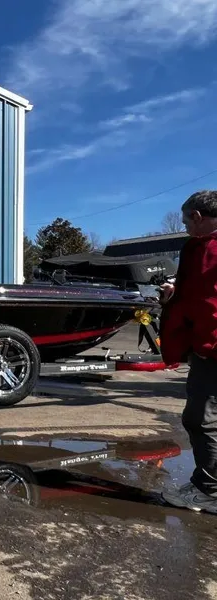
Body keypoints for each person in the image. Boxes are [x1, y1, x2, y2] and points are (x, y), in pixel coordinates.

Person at [159, 190, 217, 512]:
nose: (185, 228)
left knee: (201, 418)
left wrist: (207, 344)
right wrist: (176, 290)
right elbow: (201, 292)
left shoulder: (206, 249)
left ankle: (208, 491)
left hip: (212, 349)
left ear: (197, 216)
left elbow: (208, 303)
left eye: (185, 222)